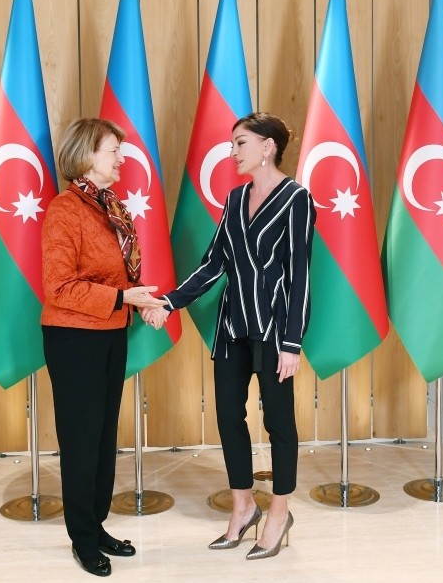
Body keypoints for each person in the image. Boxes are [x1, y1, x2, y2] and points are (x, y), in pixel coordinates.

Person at [144, 112, 315, 560]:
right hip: (232, 328)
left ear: (267, 147)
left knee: (279, 424)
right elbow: (212, 263)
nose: (233, 151)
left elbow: (300, 275)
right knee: (227, 417)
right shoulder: (235, 199)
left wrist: (293, 342)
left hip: (274, 332)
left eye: (241, 142)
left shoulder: (297, 199)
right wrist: (168, 302)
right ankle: (243, 507)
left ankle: (279, 512)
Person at [41, 117, 166, 577]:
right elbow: (59, 287)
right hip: (74, 338)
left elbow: (120, 275)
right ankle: (83, 539)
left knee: (103, 438)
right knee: (81, 441)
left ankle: (96, 525)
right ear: (86, 155)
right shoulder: (65, 209)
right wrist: (122, 298)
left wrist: (142, 302)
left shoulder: (112, 206)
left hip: (112, 331)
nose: (121, 158)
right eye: (113, 150)